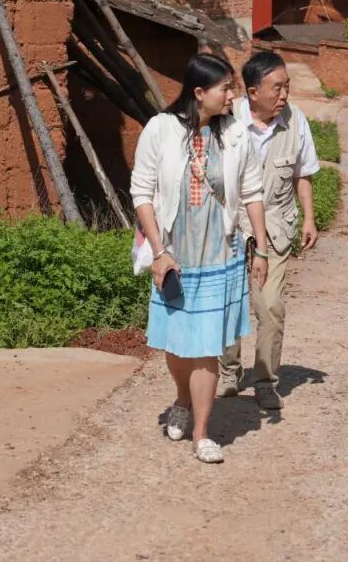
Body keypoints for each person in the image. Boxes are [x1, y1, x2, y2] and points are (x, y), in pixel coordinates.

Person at [130, 53, 270, 463]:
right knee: (177, 346)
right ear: (198, 92)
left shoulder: (236, 134)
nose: (232, 96)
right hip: (174, 254)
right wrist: (159, 252)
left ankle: (202, 434)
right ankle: (182, 398)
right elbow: (142, 192)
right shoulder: (160, 129)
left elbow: (252, 191)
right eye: (225, 89)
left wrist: (260, 247)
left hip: (219, 252)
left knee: (207, 346)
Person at [218, 51, 321, 409]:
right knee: (228, 302)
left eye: (286, 87)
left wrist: (309, 217)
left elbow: (302, 173)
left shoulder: (296, 121)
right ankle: (229, 371)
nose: (284, 95)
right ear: (252, 92)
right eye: (277, 88)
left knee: (271, 305)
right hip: (231, 226)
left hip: (276, 225)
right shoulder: (225, 121)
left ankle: (265, 381)